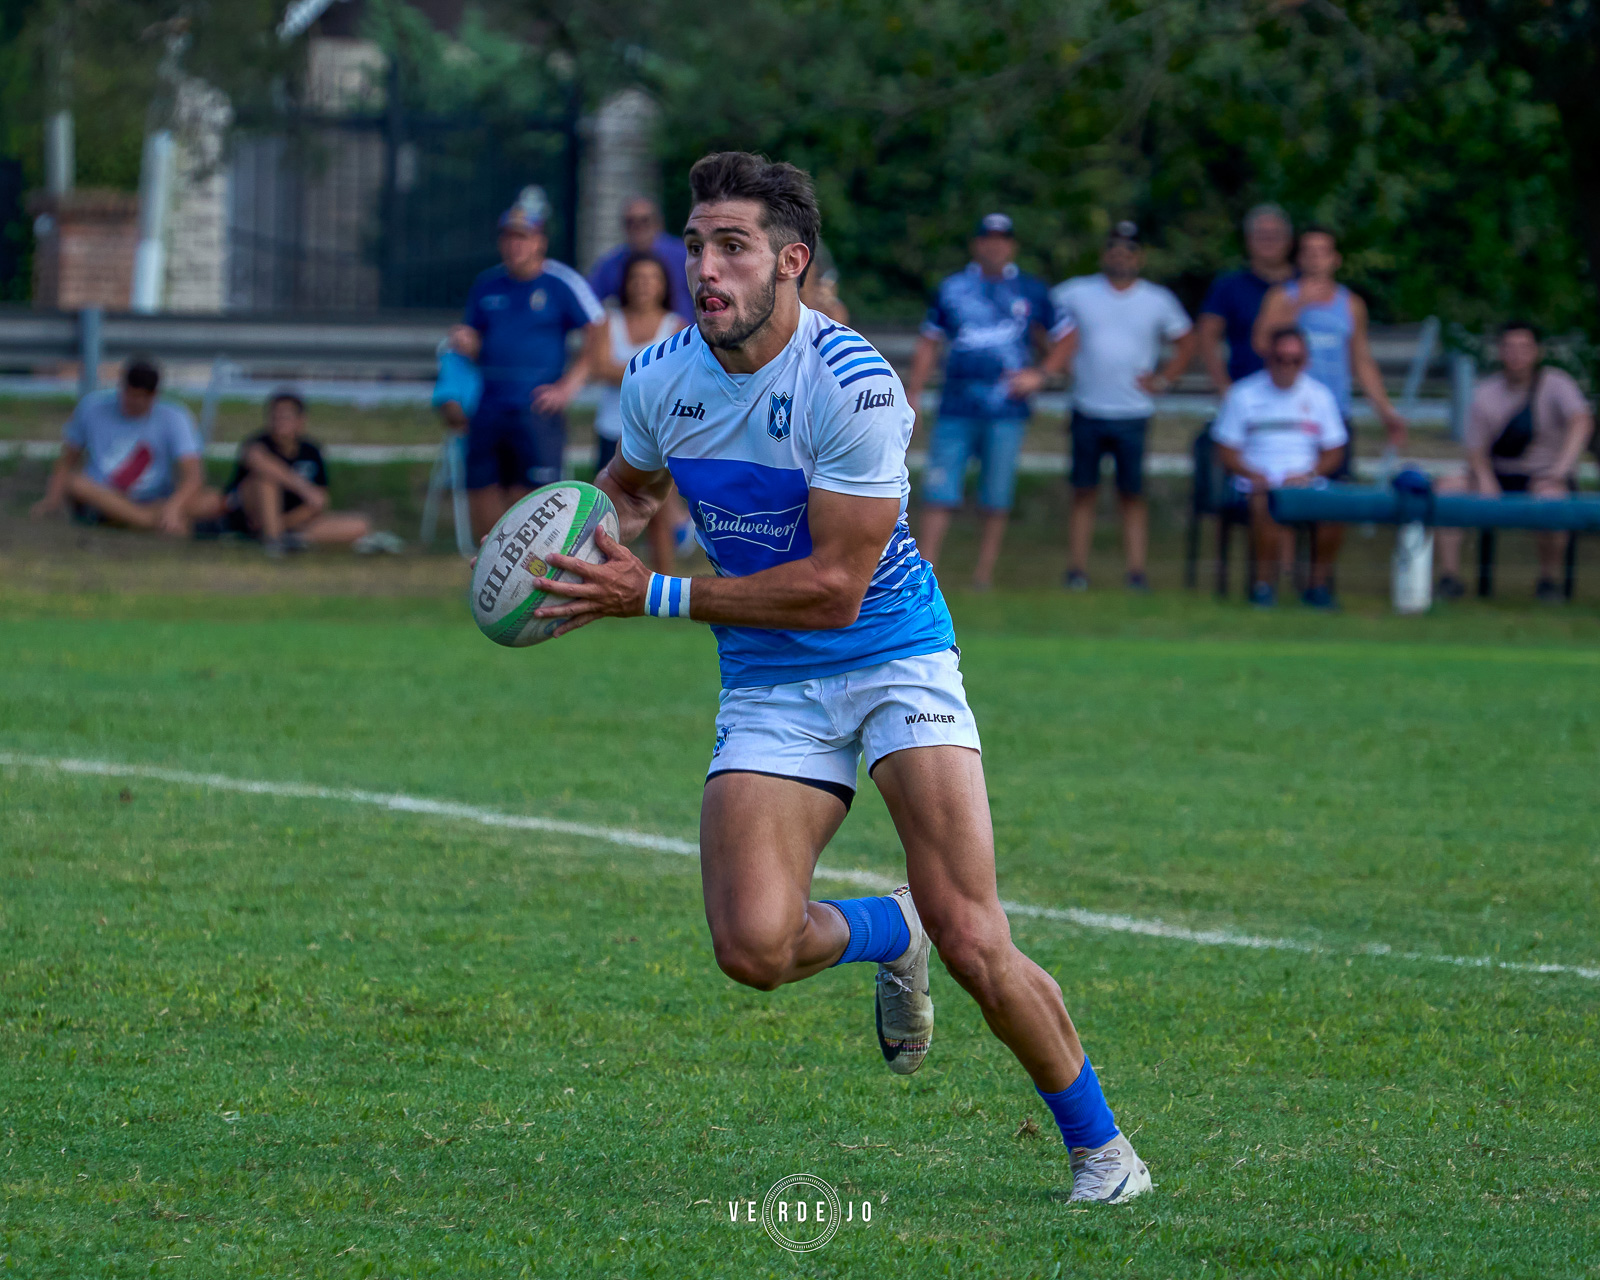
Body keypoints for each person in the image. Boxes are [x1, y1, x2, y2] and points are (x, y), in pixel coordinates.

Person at [523, 151, 1151, 1204]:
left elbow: (834, 589)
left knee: (973, 931)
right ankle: (886, 926)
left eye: (733, 247)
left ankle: (1103, 1152)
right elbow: (628, 488)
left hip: (890, 652)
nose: (705, 268)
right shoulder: (660, 376)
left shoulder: (852, 382)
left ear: (791, 263)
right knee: (754, 946)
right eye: (694, 245)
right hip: (769, 678)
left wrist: (654, 594)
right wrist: (570, 545)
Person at [906, 213, 1064, 590]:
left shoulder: (1031, 289)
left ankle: (983, 575)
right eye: (988, 238)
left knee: (996, 493)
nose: (995, 245)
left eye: (1002, 239)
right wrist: (913, 392)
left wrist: (1040, 374)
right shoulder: (953, 287)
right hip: (956, 404)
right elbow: (930, 341)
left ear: (1012, 246)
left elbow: (1066, 337)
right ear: (976, 244)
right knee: (939, 489)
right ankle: (926, 574)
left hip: (1006, 408)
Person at [450, 192, 607, 542]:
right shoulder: (487, 284)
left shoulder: (560, 282)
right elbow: (475, 338)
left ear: (539, 242)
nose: (514, 245)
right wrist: (466, 341)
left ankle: (528, 575)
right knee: (481, 488)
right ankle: (488, 568)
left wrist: (569, 386)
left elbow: (598, 330)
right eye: (508, 237)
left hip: (535, 408)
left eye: (522, 237)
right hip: (489, 403)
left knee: (533, 503)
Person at [1053, 221, 1196, 591]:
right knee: (1083, 490)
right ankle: (1077, 570)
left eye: (1129, 250)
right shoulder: (1077, 293)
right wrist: (1056, 361)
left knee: (1131, 493)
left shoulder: (1157, 299)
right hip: (1087, 406)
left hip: (1133, 411)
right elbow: (1041, 319)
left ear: (1140, 257)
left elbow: (1187, 341)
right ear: (1104, 255)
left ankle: (1135, 570)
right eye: (1115, 249)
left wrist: (1164, 380)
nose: (1121, 256)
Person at [1435, 323, 1595, 602]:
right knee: (1446, 490)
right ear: (1500, 351)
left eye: (1524, 348)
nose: (1516, 355)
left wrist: (1560, 469)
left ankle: (1549, 580)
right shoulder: (1486, 391)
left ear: (1537, 352)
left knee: (1552, 500)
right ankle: (1449, 577)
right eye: (1509, 348)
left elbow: (1581, 421)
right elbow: (1475, 449)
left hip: (1544, 475)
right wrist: (1485, 480)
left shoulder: (1557, 383)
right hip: (1498, 473)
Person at [1211, 328, 1349, 608]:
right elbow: (1226, 450)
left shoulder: (1320, 396)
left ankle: (1317, 587)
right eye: (1281, 359)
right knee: (1264, 503)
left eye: (1294, 360)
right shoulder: (1243, 394)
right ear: (1268, 358)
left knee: (1334, 510)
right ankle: (1263, 587)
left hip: (1305, 480)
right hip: (1256, 481)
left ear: (1305, 361)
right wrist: (1252, 474)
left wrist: (1309, 474)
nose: (1287, 366)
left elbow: (1334, 451)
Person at [1252, 228, 1408, 458]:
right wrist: (1298, 306)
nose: (1315, 258)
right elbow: (1260, 344)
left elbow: (1361, 360)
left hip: (1335, 411)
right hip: (1290, 412)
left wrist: (1385, 410)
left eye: (1322, 251)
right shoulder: (1281, 297)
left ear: (1335, 259)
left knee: (1337, 484)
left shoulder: (1351, 304)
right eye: (1309, 251)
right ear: (1300, 258)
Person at [30, 357, 221, 536]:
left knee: (215, 500)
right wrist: (52, 499)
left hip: (155, 498)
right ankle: (148, 522)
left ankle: (130, 519)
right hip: (103, 495)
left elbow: (193, 476)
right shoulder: (92, 408)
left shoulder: (175, 416)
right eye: (129, 395)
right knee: (76, 484)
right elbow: (67, 461)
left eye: (139, 398)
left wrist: (174, 507)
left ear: (153, 396)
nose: (132, 403)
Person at [592, 251, 691, 571]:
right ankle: (605, 579)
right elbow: (600, 366)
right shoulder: (609, 321)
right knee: (607, 515)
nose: (643, 286)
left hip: (657, 434)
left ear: (663, 285)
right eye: (637, 278)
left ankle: (661, 581)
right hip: (611, 427)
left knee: (656, 512)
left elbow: (683, 376)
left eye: (651, 279)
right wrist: (653, 374)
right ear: (625, 284)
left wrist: (628, 372)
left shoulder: (676, 325)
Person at [220, 390, 378, 556]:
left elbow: (319, 500)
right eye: (275, 416)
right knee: (267, 482)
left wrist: (286, 521)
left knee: (359, 525)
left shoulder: (311, 451)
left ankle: (289, 537)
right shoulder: (258, 444)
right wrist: (302, 487)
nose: (279, 421)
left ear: (301, 420)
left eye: (285, 417)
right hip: (253, 515)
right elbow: (257, 460)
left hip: (293, 520)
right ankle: (273, 541)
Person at [1197, 204, 1296, 395]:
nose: (1268, 240)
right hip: (1246, 393)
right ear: (1249, 240)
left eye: (1275, 234)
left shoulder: (1303, 286)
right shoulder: (1229, 286)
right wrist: (1223, 386)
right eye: (1261, 234)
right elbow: (1206, 336)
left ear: (1289, 241)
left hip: (1299, 397)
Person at [588, 197, 696, 324]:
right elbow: (588, 300)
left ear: (658, 223)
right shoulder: (612, 264)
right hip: (634, 337)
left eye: (644, 221)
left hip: (684, 335)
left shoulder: (684, 256)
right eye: (631, 222)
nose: (638, 227)